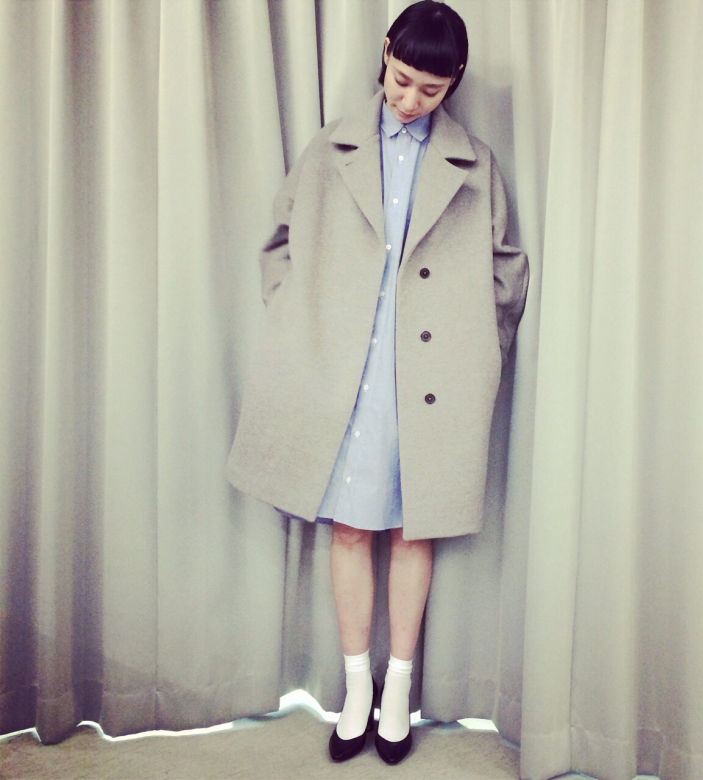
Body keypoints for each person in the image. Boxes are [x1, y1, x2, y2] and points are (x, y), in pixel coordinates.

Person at [226, 0, 529, 766]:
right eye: (400, 79)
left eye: (430, 89)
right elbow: (280, 243)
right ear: (386, 51)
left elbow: (507, 273)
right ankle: (356, 689)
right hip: (343, 378)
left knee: (413, 528)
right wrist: (301, 326)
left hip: (431, 381)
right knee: (351, 530)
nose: (409, 98)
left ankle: (398, 692)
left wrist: (482, 352)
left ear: (454, 81)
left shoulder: (475, 165)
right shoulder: (332, 149)